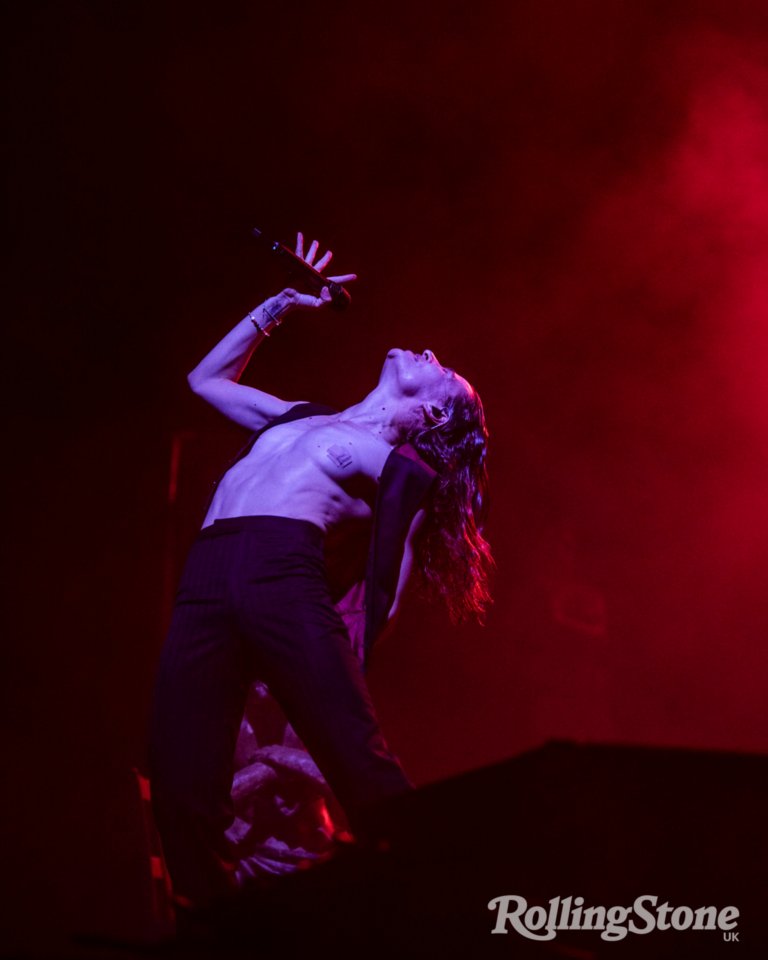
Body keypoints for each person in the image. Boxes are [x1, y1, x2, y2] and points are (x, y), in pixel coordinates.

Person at [149, 233, 493, 914]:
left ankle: (446, 902)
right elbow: (206, 382)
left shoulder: (395, 468)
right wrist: (281, 305)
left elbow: (385, 577)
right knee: (179, 768)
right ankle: (215, 926)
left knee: (355, 753)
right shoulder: (299, 417)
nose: (429, 352)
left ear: (430, 413)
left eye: (443, 369)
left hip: (284, 575)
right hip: (207, 574)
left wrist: (350, 657)